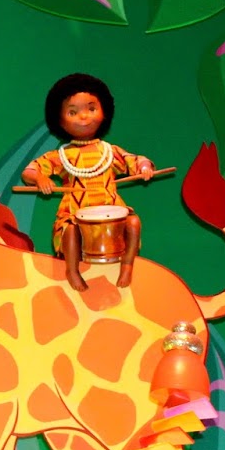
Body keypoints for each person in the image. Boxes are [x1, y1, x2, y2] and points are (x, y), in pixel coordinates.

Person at [20, 73, 154, 291]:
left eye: (91, 109)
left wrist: (144, 168)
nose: (83, 117)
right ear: (59, 120)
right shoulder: (61, 156)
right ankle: (72, 271)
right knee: (70, 231)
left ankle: (128, 265)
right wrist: (40, 178)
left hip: (113, 214)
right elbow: (30, 171)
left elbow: (136, 160)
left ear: (104, 112)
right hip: (75, 213)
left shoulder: (110, 152)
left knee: (133, 223)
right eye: (73, 112)